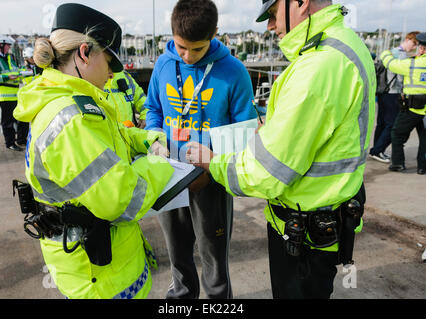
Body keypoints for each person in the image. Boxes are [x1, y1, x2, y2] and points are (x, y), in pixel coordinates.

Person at [186, 0, 375, 299]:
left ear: (301, 3)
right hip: (328, 221)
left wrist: (214, 163)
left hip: (304, 236)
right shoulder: (346, 44)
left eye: (273, 15)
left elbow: (266, 173)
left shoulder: (318, 67)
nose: (271, 26)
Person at [13, 3, 174, 299]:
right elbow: (123, 198)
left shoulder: (73, 102)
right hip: (100, 278)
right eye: (110, 62)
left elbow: (115, 136)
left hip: (106, 263)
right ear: (85, 53)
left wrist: (146, 139)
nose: (114, 73)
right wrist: (162, 162)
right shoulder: (69, 119)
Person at [145, 0, 256, 299]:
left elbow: (245, 132)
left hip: (212, 181)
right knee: (177, 254)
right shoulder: (163, 64)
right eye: (182, 47)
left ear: (215, 34)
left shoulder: (234, 72)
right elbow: (153, 108)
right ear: (172, 34)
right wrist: (154, 139)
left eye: (197, 48)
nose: (188, 56)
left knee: (214, 258)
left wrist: (215, 163)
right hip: (169, 176)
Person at [370, 32, 419, 164]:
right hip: (393, 92)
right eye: (414, 43)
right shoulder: (401, 55)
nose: (414, 47)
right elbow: (401, 77)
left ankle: (377, 149)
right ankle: (377, 150)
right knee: (392, 124)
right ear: (408, 40)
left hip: (382, 91)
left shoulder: (391, 51)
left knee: (381, 122)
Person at [381, 32, 426, 175]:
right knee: (424, 140)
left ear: (422, 49)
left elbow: (390, 63)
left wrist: (386, 52)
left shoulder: (412, 63)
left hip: (412, 108)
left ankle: (398, 164)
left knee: (397, 134)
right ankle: (422, 167)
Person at [0, 35, 24, 151]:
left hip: (15, 94)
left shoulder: (8, 57)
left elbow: (15, 70)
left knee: (18, 118)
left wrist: (24, 72)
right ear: (0, 45)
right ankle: (10, 143)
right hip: (4, 96)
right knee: (8, 122)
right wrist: (7, 78)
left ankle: (20, 139)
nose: (9, 48)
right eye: (7, 45)